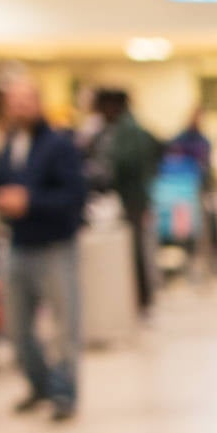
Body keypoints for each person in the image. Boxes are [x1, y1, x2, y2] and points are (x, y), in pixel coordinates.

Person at [0, 74, 87, 421]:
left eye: (26, 100)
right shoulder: (9, 145)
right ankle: (39, 384)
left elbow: (75, 195)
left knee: (64, 326)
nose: (20, 107)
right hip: (18, 245)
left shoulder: (59, 144)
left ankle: (64, 392)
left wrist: (30, 201)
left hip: (55, 246)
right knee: (16, 326)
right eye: (13, 102)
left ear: (38, 102)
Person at [93, 88, 160, 316]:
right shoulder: (117, 130)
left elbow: (124, 164)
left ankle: (141, 299)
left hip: (131, 200)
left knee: (134, 250)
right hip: (128, 199)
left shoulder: (129, 131)